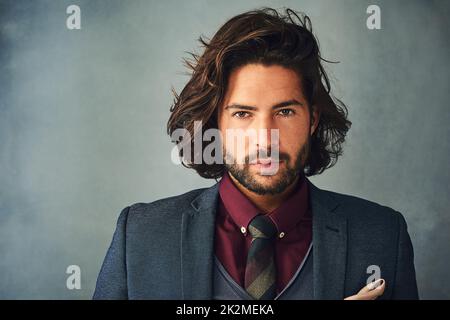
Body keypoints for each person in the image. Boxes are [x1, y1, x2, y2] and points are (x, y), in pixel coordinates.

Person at [93, 7, 418, 300]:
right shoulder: (140, 235)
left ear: (313, 119)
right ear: (215, 123)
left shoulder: (383, 237)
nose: (265, 138)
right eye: (242, 113)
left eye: (286, 112)